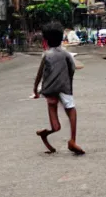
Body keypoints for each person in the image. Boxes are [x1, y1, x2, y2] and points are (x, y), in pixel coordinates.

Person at [33, 21, 85, 155]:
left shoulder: (46, 55)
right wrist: (68, 82)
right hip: (64, 87)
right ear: (62, 37)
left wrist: (35, 89)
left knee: (56, 126)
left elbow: (39, 74)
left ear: (45, 40)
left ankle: (46, 133)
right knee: (71, 110)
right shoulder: (66, 54)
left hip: (49, 90)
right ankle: (72, 140)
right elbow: (72, 69)